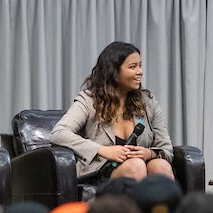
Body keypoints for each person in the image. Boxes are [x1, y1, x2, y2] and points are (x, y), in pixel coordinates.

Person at [50, 41, 174, 183]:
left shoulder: (147, 102)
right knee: (135, 166)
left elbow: (166, 149)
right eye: (132, 67)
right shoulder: (89, 100)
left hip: (142, 169)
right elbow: (58, 133)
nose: (140, 72)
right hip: (102, 173)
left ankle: (163, 206)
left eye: (140, 65)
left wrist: (149, 153)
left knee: (161, 165)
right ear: (113, 72)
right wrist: (102, 150)